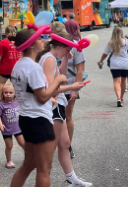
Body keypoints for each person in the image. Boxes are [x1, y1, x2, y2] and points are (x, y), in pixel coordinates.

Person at [8, 28, 71, 186]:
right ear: (30, 45)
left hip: (26, 118)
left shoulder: (19, 65)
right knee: (44, 169)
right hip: (39, 120)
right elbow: (43, 97)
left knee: (29, 164)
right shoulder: (33, 67)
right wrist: (58, 81)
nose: (43, 40)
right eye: (39, 39)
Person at [40, 24, 93, 186]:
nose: (69, 52)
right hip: (53, 106)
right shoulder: (48, 59)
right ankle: (44, 181)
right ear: (61, 46)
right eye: (67, 49)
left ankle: (72, 179)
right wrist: (72, 87)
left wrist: (65, 59)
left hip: (58, 104)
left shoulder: (52, 58)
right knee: (51, 148)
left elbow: (60, 75)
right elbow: (51, 89)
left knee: (64, 143)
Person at [98, 26, 128, 107]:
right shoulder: (127, 42)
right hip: (125, 63)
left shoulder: (110, 42)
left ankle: (118, 98)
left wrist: (101, 61)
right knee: (123, 81)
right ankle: (122, 97)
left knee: (116, 81)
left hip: (114, 64)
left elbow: (105, 54)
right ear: (121, 33)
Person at [63, 30, 84, 159]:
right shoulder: (50, 46)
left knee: (67, 116)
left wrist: (76, 89)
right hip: (52, 88)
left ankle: (68, 146)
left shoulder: (76, 46)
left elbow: (80, 69)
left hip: (70, 86)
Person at [0, 81, 25, 169]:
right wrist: (0, 125)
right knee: (9, 145)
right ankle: (8, 161)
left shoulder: (17, 102)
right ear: (2, 93)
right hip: (6, 129)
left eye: (10, 92)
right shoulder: (1, 105)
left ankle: (29, 158)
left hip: (18, 128)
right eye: (6, 92)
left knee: (23, 143)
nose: (8, 94)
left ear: (15, 93)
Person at [0, 25, 20, 90]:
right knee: (16, 90)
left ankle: (0, 99)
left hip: (4, 69)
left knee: (1, 89)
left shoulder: (3, 42)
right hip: (16, 69)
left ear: (6, 33)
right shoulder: (19, 42)